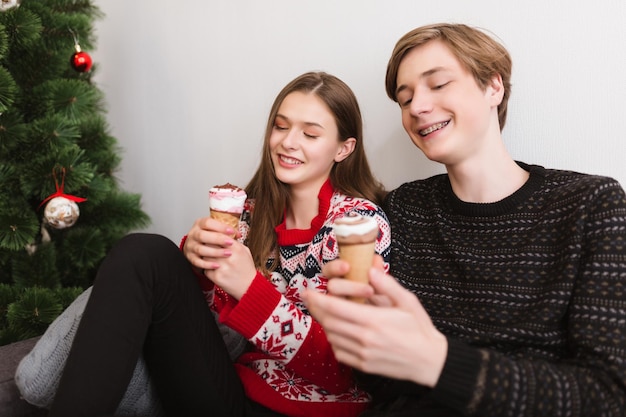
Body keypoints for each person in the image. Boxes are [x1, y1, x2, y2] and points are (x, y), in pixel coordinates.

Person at [303, 23, 626, 416]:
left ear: (494, 86)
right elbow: (380, 381)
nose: (417, 108)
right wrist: (364, 320)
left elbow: (607, 396)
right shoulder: (406, 209)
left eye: (437, 85)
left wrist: (438, 362)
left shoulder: (591, 206)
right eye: (405, 100)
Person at [49, 71, 391, 417]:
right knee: (146, 252)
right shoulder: (250, 214)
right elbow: (212, 331)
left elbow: (340, 370)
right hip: (229, 391)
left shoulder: (360, 226)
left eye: (310, 133)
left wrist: (250, 287)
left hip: (308, 410)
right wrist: (197, 269)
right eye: (281, 126)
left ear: (344, 149)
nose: (288, 142)